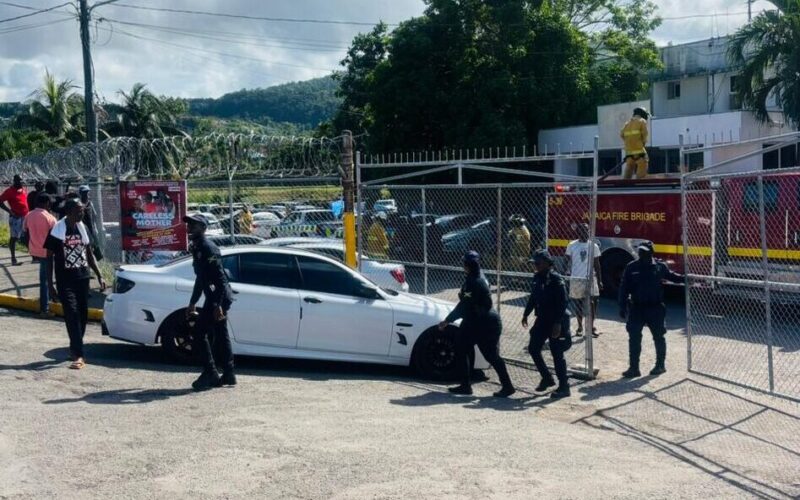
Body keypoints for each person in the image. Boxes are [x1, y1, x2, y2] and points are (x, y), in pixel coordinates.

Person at [439, 251, 515, 397]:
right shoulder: (479, 277)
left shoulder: (473, 282)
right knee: (463, 349)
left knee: (490, 355)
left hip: (482, 323)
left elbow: (463, 306)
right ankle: (466, 385)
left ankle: (506, 387)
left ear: (467, 265)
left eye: (464, 264)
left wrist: (447, 321)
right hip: (478, 320)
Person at [45, 199, 106, 370]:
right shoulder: (57, 230)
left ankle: (74, 347)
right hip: (65, 280)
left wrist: (99, 275)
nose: (82, 213)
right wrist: (50, 285)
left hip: (82, 278)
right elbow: (49, 258)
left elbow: (89, 253)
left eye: (83, 210)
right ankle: (79, 354)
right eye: (79, 211)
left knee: (82, 315)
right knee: (71, 313)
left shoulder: (82, 228)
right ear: (70, 211)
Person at [184, 213, 236, 391]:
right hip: (214, 297)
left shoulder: (208, 248)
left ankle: (210, 372)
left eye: (194, 224)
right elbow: (201, 278)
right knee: (221, 334)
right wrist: (192, 302)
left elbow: (221, 280)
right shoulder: (197, 247)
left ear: (204, 228)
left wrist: (218, 305)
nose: (189, 226)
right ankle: (229, 373)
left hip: (219, 297)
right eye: (189, 223)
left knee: (199, 333)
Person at [618, 241, 684, 377]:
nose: (641, 254)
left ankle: (660, 365)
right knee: (634, 337)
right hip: (636, 308)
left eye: (644, 252)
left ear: (651, 253)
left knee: (659, 336)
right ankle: (634, 368)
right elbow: (624, 288)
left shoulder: (659, 267)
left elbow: (673, 277)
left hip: (655, 308)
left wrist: (686, 279)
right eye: (640, 251)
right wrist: (622, 306)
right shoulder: (632, 267)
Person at [522, 250, 572, 399]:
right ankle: (547, 378)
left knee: (557, 353)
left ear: (546, 263)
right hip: (542, 319)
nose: (535, 266)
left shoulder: (556, 279)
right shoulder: (537, 277)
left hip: (557, 320)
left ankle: (564, 386)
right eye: (534, 264)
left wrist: (557, 324)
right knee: (533, 348)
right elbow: (533, 297)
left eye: (537, 263)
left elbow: (563, 302)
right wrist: (526, 313)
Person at [565, 223, 602, 337]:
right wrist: (565, 276)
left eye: (587, 231)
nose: (585, 233)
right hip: (576, 278)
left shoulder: (593, 246)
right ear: (578, 232)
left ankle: (591, 326)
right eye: (582, 231)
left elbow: (597, 264)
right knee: (579, 303)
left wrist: (600, 280)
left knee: (593, 302)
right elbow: (566, 261)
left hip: (590, 279)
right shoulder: (572, 245)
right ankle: (580, 326)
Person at [23, 193, 56, 315]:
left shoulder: (29, 215)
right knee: (46, 280)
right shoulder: (50, 218)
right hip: (47, 252)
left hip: (35, 250)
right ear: (46, 203)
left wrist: (30, 247)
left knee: (45, 278)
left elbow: (25, 233)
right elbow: (54, 238)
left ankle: (47, 300)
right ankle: (44, 308)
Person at [0, 174, 29, 266]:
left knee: (27, 235)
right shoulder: (9, 191)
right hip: (16, 218)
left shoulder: (23, 190)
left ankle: (34, 255)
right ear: (15, 181)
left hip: (25, 216)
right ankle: (13, 258)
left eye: (22, 180)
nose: (21, 182)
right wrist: (10, 212)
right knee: (14, 237)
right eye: (19, 181)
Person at [620, 107, 650, 179]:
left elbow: (621, 134)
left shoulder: (627, 123)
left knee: (629, 166)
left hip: (629, 152)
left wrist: (628, 143)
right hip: (639, 150)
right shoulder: (642, 121)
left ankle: (626, 184)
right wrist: (642, 144)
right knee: (643, 163)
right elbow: (645, 135)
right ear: (643, 114)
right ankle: (639, 183)